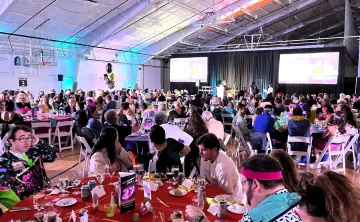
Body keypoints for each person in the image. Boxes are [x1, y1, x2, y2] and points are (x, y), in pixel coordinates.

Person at [186, 154, 300, 222]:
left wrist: (199, 219)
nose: (243, 189)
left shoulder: (254, 218)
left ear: (256, 185)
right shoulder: (301, 200)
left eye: (244, 183)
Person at [0, 125, 58, 201]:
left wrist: (39, 142)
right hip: (27, 203)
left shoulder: (33, 152)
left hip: (46, 196)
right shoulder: (4, 163)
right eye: (22, 138)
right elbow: (8, 194)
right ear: (12, 141)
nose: (27, 142)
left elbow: (54, 155)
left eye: (29, 138)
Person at [184, 110, 208, 176]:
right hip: (202, 152)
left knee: (185, 155)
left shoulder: (189, 130)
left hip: (193, 153)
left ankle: (187, 175)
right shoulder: (205, 129)